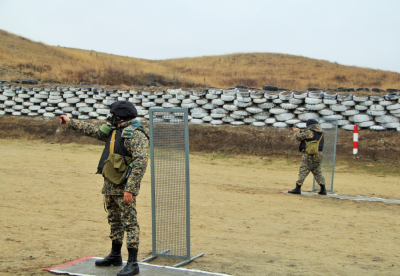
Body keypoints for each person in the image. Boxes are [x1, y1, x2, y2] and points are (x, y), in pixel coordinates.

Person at [57, 101, 149, 276]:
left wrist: (130, 188)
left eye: (112, 114)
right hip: (110, 184)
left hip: (124, 187)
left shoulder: (136, 134)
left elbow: (140, 163)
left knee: (130, 223)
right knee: (114, 220)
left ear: (119, 116)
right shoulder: (115, 130)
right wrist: (70, 122)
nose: (110, 117)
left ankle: (132, 263)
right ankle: (115, 255)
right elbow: (94, 131)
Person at [288, 118, 327, 195]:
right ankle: (323, 189)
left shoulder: (309, 132)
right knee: (317, 172)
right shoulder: (321, 132)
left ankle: (297, 188)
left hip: (309, 154)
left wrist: (296, 131)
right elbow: (310, 136)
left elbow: (298, 137)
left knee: (303, 170)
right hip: (318, 154)